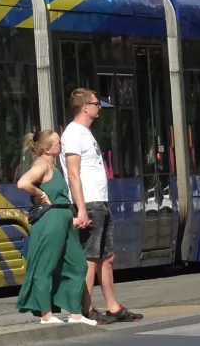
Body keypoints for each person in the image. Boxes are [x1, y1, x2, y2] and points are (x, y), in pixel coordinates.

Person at [61, 88, 142, 325]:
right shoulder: (73, 133)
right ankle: (85, 309)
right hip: (90, 203)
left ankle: (113, 307)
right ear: (85, 107)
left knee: (106, 257)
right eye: (96, 103)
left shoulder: (85, 133)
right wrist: (82, 207)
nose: (100, 107)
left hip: (100, 201)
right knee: (89, 257)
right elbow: (73, 174)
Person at [15, 130, 96, 326]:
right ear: (47, 149)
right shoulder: (42, 165)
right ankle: (46, 315)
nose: (61, 146)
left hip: (62, 220)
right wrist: (41, 195)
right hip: (50, 221)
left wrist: (72, 218)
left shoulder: (53, 166)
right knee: (45, 266)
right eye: (58, 143)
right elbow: (23, 183)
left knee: (78, 265)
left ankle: (76, 314)